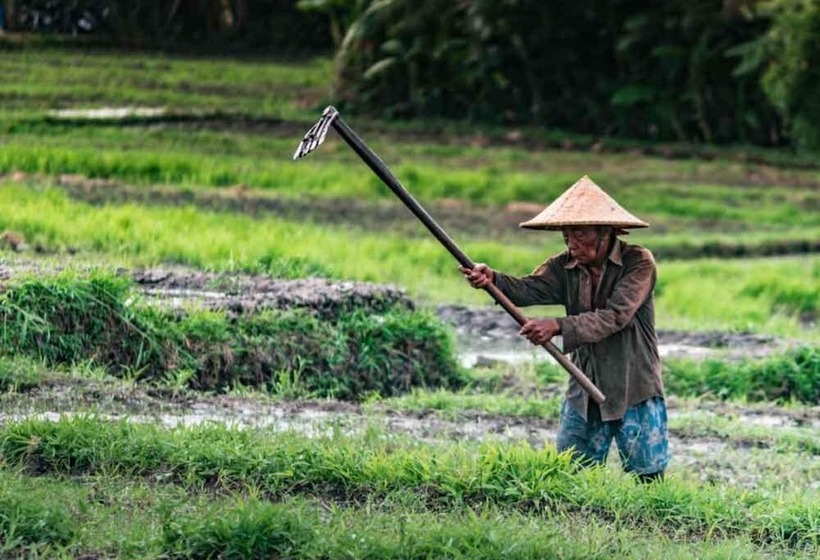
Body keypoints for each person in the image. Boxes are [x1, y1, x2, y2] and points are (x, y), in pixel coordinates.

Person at [461, 175, 669, 482]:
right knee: (570, 473)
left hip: (633, 382)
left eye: (579, 233)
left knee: (647, 475)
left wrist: (557, 326)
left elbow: (616, 316)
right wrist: (493, 279)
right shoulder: (564, 266)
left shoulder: (638, 262)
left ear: (605, 232)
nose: (571, 242)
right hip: (585, 380)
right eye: (567, 233)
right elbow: (528, 289)